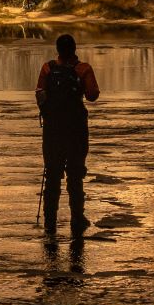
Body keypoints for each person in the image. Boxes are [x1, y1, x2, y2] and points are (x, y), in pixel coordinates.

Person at [35, 33, 101, 238]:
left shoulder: (47, 68)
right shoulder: (83, 69)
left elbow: (39, 94)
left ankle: (50, 221)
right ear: (74, 49)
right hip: (75, 130)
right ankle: (77, 219)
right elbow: (92, 95)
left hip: (52, 130)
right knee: (75, 174)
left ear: (57, 50)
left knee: (52, 175)